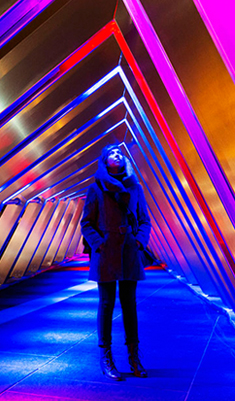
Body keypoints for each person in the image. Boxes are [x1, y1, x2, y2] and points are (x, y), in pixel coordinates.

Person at [80, 144, 152, 381]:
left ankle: (134, 356)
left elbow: (144, 221)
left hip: (130, 251)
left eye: (119, 153)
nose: (116, 156)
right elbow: (86, 223)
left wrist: (139, 242)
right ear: (104, 161)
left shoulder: (135, 188)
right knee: (107, 304)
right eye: (111, 153)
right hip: (106, 252)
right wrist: (99, 243)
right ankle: (106, 358)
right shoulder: (95, 189)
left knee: (130, 305)